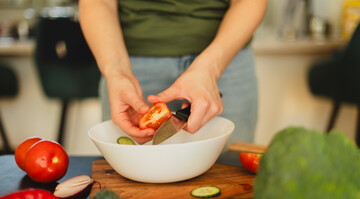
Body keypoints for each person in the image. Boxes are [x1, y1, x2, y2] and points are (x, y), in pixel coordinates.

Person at [78, 0, 267, 145]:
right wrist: (117, 72)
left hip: (227, 54)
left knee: (230, 175)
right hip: (129, 63)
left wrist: (210, 69)